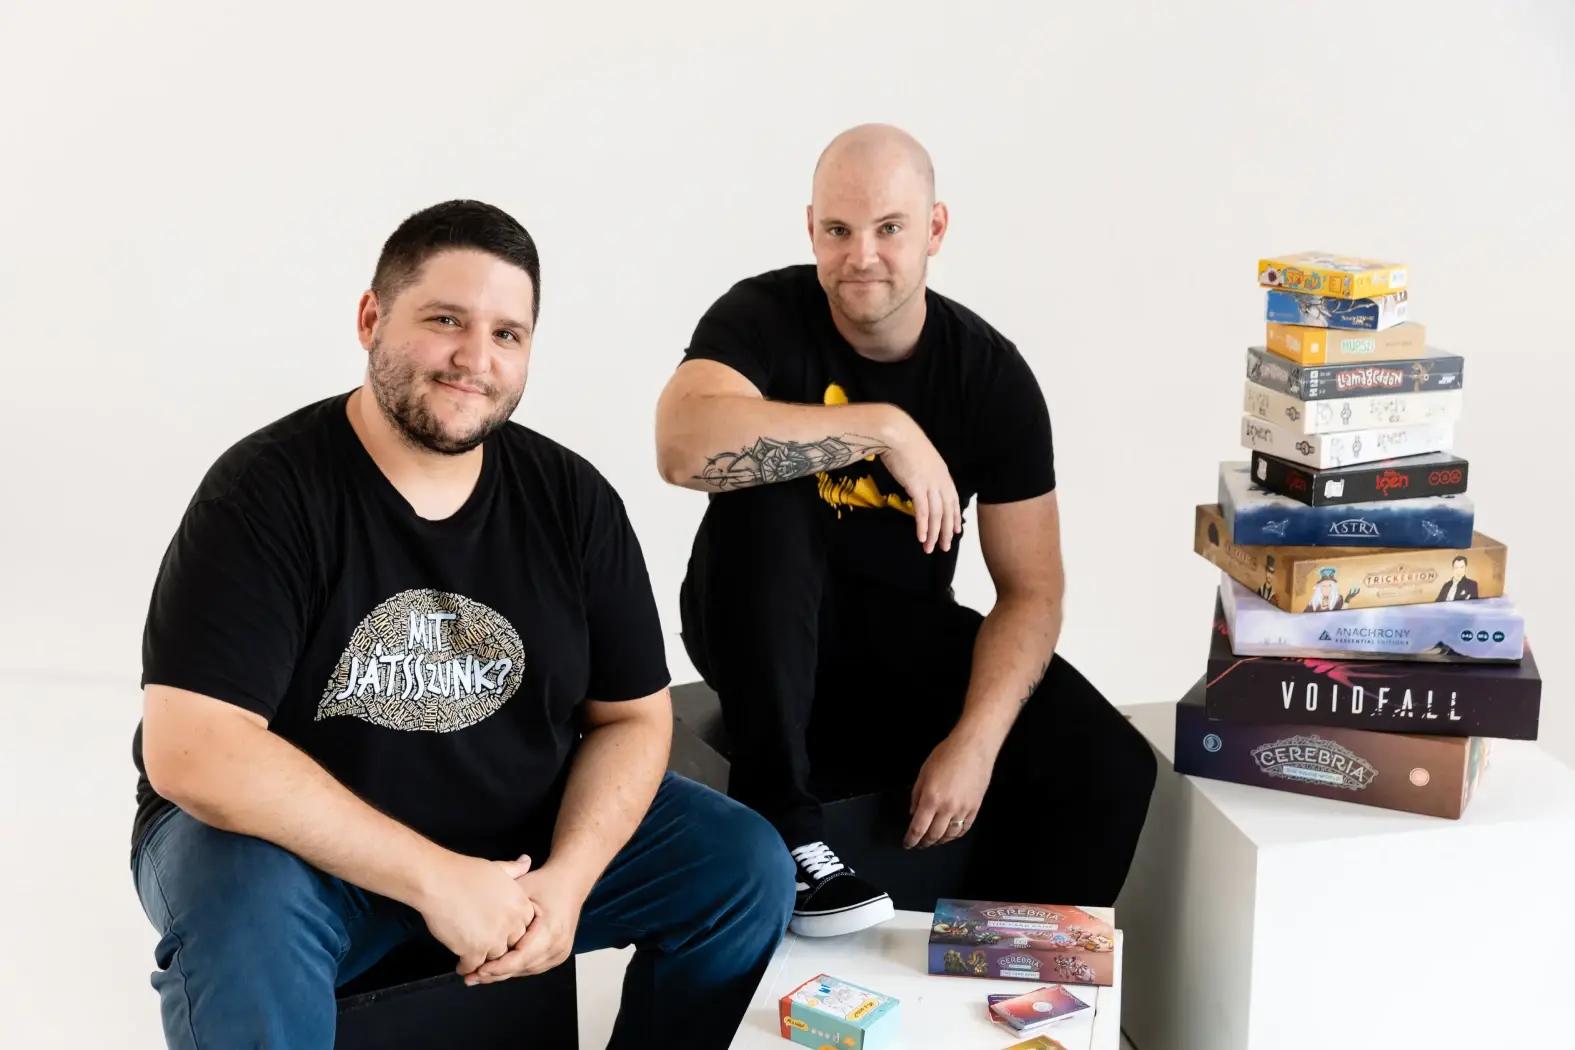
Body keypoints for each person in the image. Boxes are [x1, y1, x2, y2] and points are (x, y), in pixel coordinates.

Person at [129, 199, 795, 1050]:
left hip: (513, 839)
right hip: (302, 856)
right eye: (445, 320)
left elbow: (632, 719)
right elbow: (194, 750)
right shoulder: (264, 495)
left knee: (740, 867)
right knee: (241, 915)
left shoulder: (573, 502)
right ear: (371, 319)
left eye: (506, 334)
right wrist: (436, 880)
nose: (475, 359)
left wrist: (567, 882)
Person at [654, 124, 1157, 937]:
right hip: (752, 619)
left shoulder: (987, 375)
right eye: (838, 230)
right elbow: (680, 448)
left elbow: (1031, 589)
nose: (862, 256)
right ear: (810, 229)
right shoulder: (762, 315)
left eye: (889, 228)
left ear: (934, 228)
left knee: (1112, 766)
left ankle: (1002, 973)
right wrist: (882, 427)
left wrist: (975, 742)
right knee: (765, 485)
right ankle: (783, 830)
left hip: (894, 636)